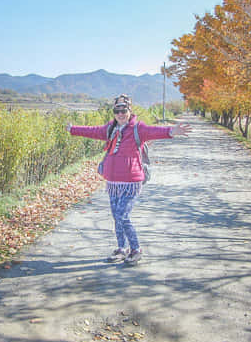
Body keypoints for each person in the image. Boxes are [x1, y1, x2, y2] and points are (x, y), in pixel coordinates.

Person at [66, 94, 192, 265]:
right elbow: (93, 131)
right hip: (113, 182)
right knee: (116, 217)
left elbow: (155, 131)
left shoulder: (137, 128)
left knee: (122, 216)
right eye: (116, 110)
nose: (120, 113)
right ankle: (121, 248)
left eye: (123, 110)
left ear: (129, 110)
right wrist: (73, 129)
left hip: (131, 182)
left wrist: (171, 131)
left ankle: (136, 249)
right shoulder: (111, 128)